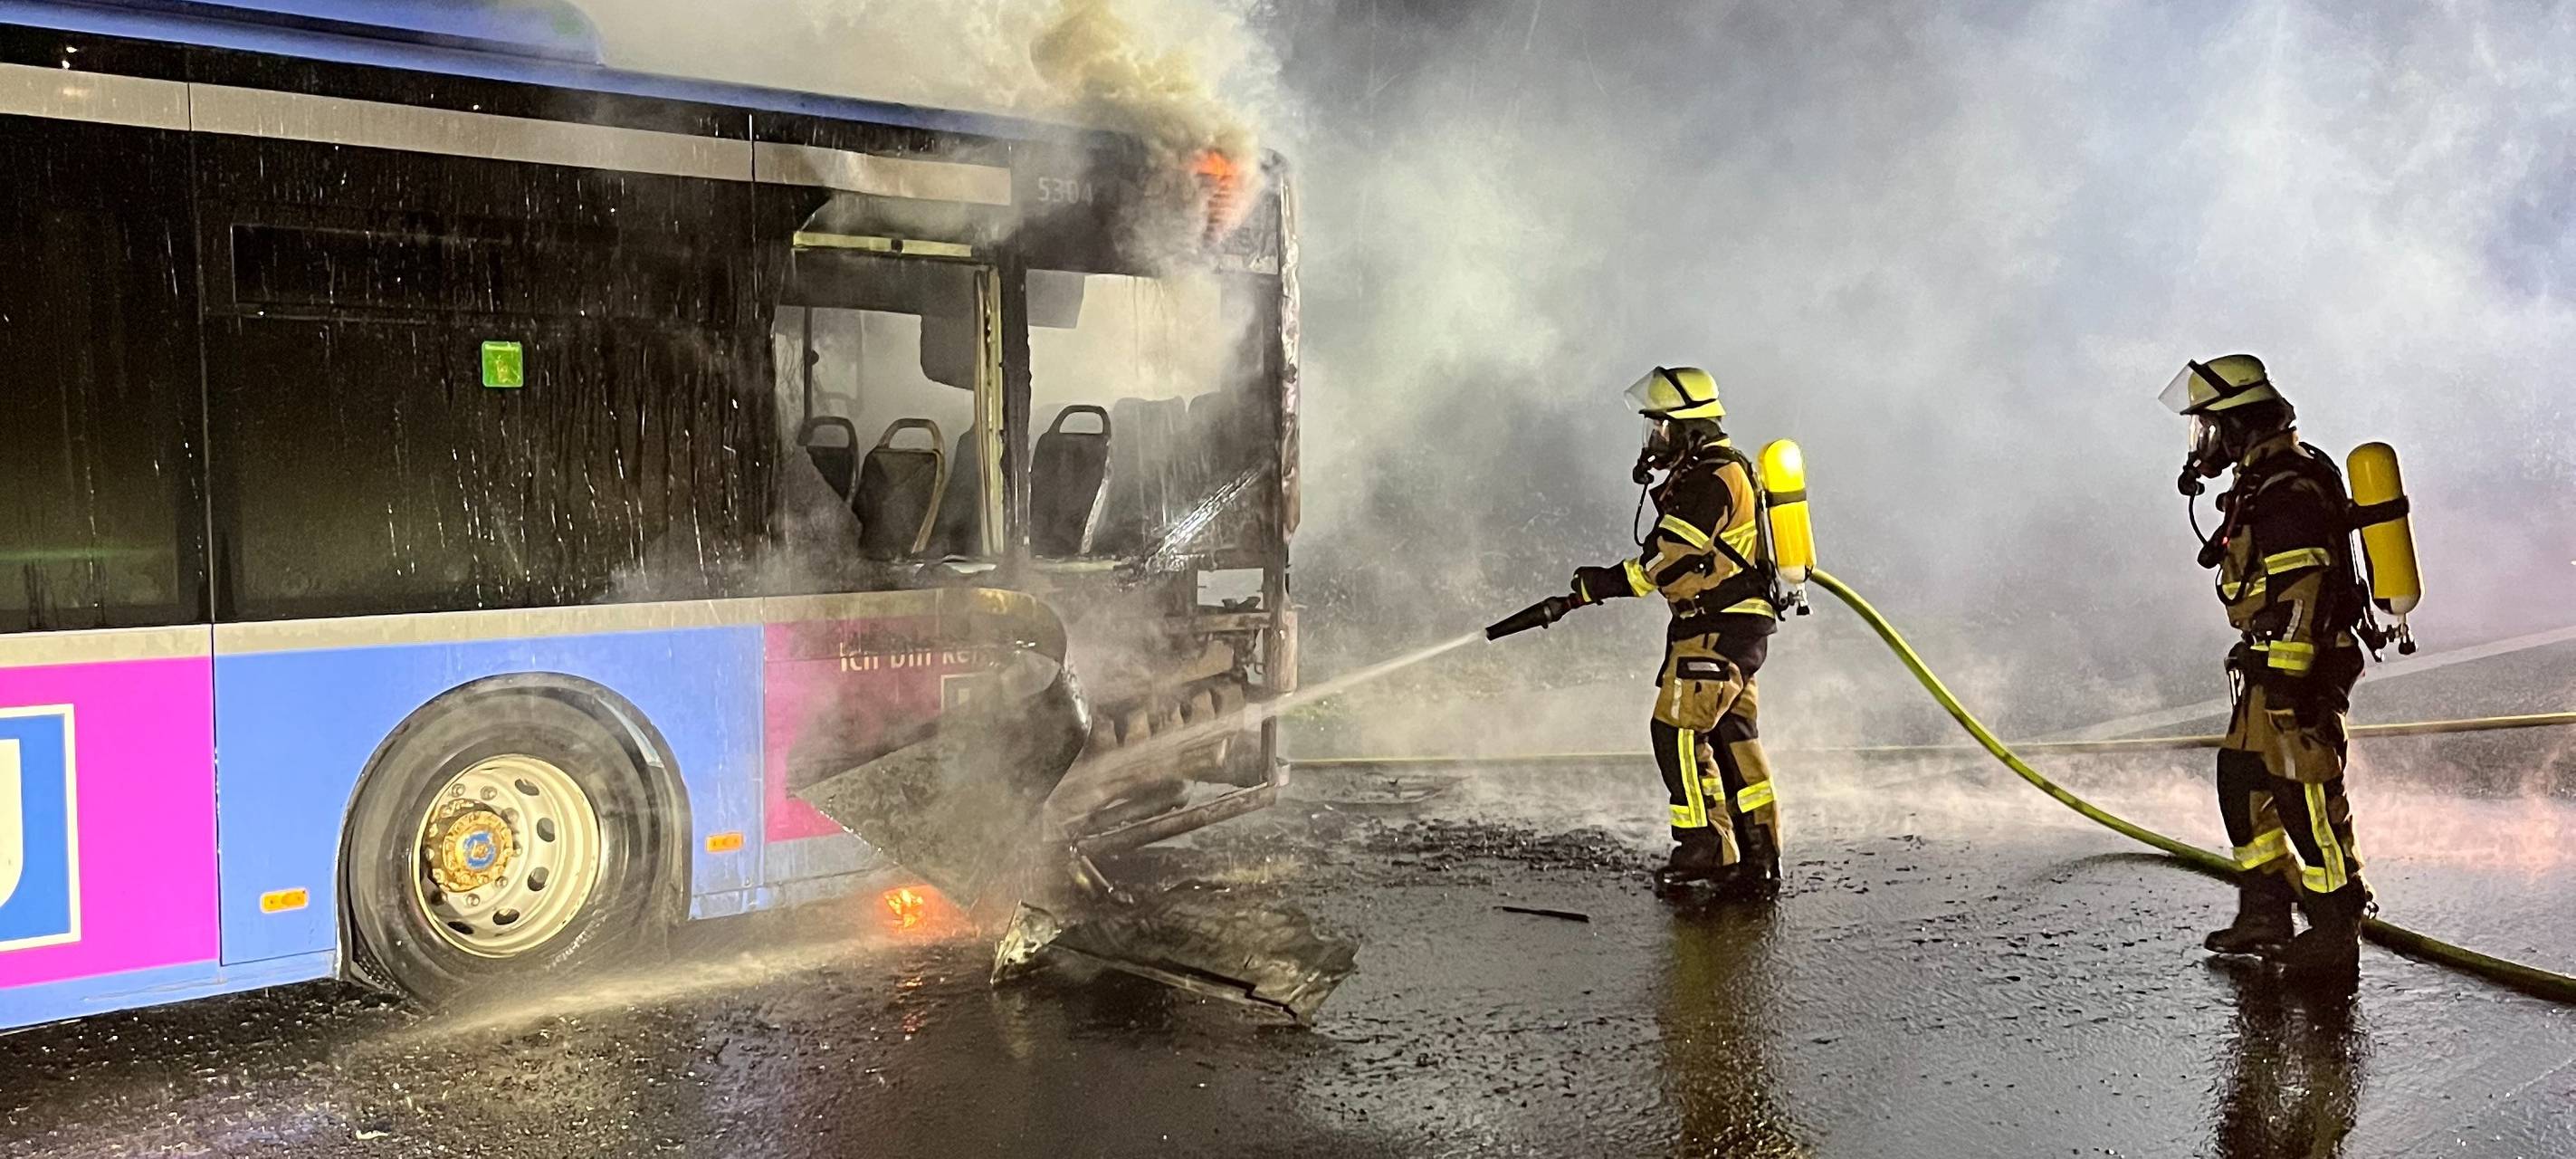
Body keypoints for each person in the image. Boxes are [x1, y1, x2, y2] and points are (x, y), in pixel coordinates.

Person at [2163, 354, 2372, 981]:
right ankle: (2265, 910)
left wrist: (2286, 674)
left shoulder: (2287, 489)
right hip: (2270, 658)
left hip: (2299, 666)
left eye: (2212, 427)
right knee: (2241, 777)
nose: (2205, 442)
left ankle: (2336, 930)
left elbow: (2305, 586)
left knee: (2304, 794)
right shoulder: (2269, 478)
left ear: (2242, 424)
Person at [1570, 367, 1785, 896]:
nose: (1653, 440)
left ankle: (1704, 847)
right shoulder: (1719, 475)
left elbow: (1664, 563)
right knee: (1733, 738)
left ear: (1688, 429)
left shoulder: (1711, 480)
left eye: (1660, 427)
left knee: (1677, 733)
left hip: (1714, 630)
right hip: (1734, 630)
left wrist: (1598, 584)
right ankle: (1758, 854)